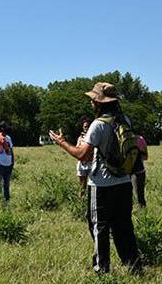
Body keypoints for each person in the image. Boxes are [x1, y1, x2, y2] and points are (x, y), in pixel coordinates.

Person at [49, 82, 141, 274]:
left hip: (101, 185)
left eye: (93, 99)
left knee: (99, 227)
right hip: (124, 182)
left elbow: (83, 155)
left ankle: (102, 269)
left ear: (99, 102)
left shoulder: (98, 125)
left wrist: (61, 142)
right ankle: (133, 266)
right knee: (124, 227)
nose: (91, 102)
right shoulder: (126, 120)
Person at [0, 121, 15, 203]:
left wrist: (12, 162)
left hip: (8, 164)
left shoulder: (8, 138)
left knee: (6, 185)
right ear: (2, 129)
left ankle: (6, 202)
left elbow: (11, 151)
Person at [76, 117, 94, 196]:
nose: (86, 128)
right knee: (82, 185)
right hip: (82, 164)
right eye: (85, 126)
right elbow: (77, 149)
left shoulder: (94, 137)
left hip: (91, 164)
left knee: (92, 185)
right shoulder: (80, 138)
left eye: (88, 126)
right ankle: (81, 201)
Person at [131, 135, 148, 208]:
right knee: (140, 197)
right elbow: (145, 157)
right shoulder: (140, 139)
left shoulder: (118, 138)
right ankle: (143, 216)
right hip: (139, 171)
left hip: (123, 172)